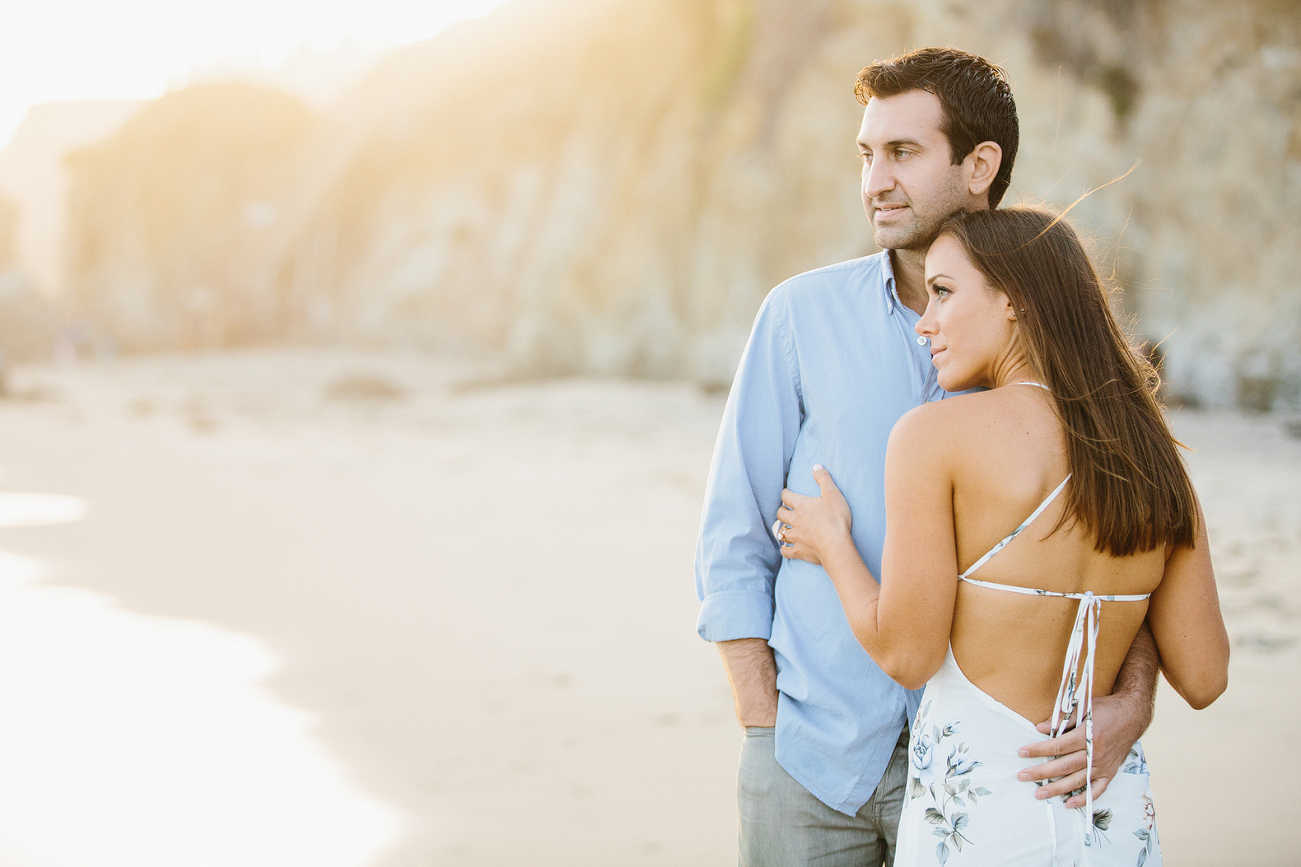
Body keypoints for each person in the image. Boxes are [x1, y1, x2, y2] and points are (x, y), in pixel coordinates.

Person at [694, 47, 1161, 866]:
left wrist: (1131, 698)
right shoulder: (799, 314)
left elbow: (1127, 543)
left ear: (980, 164)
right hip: (812, 761)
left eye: (902, 153)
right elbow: (733, 528)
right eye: (865, 154)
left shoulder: (1054, 348)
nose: (874, 179)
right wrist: (761, 719)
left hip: (996, 772)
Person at [773, 206, 1229, 865]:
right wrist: (1133, 698)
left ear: (1015, 298)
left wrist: (832, 543)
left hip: (979, 814)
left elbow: (907, 653)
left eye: (942, 292)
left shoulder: (934, 436)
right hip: (1110, 814)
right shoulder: (1152, 451)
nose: (923, 321)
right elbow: (1206, 674)